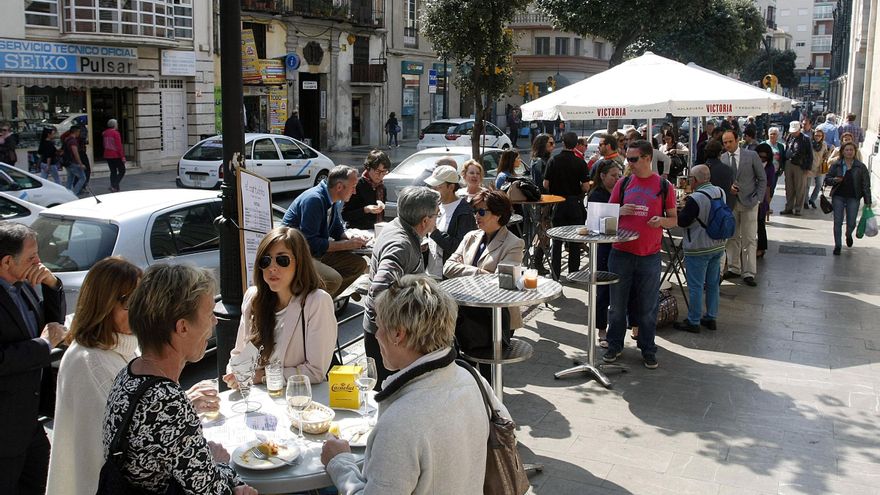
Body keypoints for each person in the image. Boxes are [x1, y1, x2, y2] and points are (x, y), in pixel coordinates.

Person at [47, 257, 222, 494]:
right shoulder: (90, 361)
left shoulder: (130, 365)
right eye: (132, 300)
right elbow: (208, 487)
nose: (215, 321)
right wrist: (221, 465)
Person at [322, 275, 505, 493]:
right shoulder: (472, 378)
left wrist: (340, 463)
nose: (376, 334)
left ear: (398, 334)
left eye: (378, 325)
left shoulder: (400, 423)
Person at [102, 264, 256, 494]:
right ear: (182, 327)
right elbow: (212, 491)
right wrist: (220, 464)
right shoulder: (166, 401)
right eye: (209, 314)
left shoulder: (129, 373)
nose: (215, 321)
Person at [47, 257, 142, 494]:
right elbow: (121, 441)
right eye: (131, 301)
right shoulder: (88, 362)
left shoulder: (120, 345)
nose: (141, 309)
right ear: (104, 304)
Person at [0, 222, 67, 494]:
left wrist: (53, 285)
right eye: (31, 257)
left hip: (29, 421)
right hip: (5, 431)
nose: (38, 262)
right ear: (6, 261)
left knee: (44, 484)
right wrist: (42, 345)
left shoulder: (23, 284)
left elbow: (53, 325)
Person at [225, 227, 337, 385]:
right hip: (258, 399)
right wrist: (234, 372)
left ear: (299, 263)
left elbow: (315, 371)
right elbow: (239, 353)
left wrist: (262, 377)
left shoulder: (317, 302)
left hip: (299, 400)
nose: (272, 268)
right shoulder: (253, 297)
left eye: (282, 260)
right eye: (265, 260)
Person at [603, 140, 678, 369]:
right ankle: (614, 345)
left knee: (647, 307)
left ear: (648, 158)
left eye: (634, 159)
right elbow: (604, 215)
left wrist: (662, 221)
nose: (629, 163)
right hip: (620, 253)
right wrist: (618, 210)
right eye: (628, 158)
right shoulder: (623, 184)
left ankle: (648, 349)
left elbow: (674, 220)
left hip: (649, 256)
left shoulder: (664, 186)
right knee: (616, 307)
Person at [363, 186, 438, 386]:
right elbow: (379, 288)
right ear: (425, 221)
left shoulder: (398, 228)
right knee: (388, 398)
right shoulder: (401, 245)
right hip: (387, 341)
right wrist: (389, 333)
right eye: (435, 215)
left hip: (387, 337)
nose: (436, 220)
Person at [444, 190, 524, 362]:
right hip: (466, 312)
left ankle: (490, 389)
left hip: (495, 316)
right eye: (475, 211)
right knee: (465, 364)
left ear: (498, 215)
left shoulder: (514, 243)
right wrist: (480, 272)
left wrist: (465, 270)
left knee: (489, 367)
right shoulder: (470, 237)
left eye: (481, 211)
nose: (476, 216)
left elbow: (500, 280)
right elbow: (448, 267)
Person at [282, 165, 368, 297]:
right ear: (339, 187)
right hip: (297, 255)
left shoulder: (332, 199)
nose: (354, 191)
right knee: (334, 280)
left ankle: (322, 300)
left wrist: (348, 236)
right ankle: (306, 306)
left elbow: (335, 227)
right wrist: (345, 245)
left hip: (314, 252)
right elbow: (310, 242)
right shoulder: (314, 199)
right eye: (353, 187)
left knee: (358, 265)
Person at [673, 165, 727, 333]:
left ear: (695, 180)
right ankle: (711, 317)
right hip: (717, 244)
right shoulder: (720, 191)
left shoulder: (696, 198)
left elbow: (682, 221)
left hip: (698, 246)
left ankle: (694, 320)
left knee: (696, 285)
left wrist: (679, 209)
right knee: (712, 284)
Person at [720, 130, 766, 287]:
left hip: (749, 202)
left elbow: (762, 178)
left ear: (737, 140)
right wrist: (728, 188)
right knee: (732, 237)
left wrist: (757, 198)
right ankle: (734, 268)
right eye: (725, 142)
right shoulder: (723, 158)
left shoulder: (751, 156)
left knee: (749, 238)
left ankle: (749, 272)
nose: (727, 145)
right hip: (732, 203)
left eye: (730, 141)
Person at [543, 131, 590, 278]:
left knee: (556, 239)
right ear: (576, 145)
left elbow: (545, 184)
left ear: (562, 143)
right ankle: (573, 272)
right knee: (575, 239)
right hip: (574, 203)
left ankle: (555, 272)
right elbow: (586, 186)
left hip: (557, 202)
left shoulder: (553, 160)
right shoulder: (580, 162)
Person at [586, 159, 622, 348]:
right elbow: (596, 221)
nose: (617, 179)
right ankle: (601, 329)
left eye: (618, 175)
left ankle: (630, 326)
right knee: (603, 290)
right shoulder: (596, 194)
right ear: (602, 176)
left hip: (620, 245)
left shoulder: (620, 191)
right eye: (613, 176)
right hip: (603, 247)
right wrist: (619, 211)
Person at [424, 165, 476, 278]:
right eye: (432, 187)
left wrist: (434, 232)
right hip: (431, 273)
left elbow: (461, 248)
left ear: (451, 187)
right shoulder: (435, 204)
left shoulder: (464, 212)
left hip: (450, 277)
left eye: (438, 187)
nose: (434, 191)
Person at [824, 142, 872, 255]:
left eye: (851, 150)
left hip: (853, 197)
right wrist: (835, 180)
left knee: (851, 222)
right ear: (843, 152)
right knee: (838, 221)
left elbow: (866, 185)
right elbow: (827, 179)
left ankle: (848, 234)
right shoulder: (837, 164)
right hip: (838, 196)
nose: (849, 152)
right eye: (847, 150)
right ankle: (838, 245)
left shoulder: (860, 167)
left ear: (855, 152)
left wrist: (867, 201)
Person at [342, 150, 389, 230]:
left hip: (376, 231)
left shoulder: (382, 188)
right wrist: (366, 210)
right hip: (358, 233)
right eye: (378, 171)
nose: (381, 176)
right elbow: (345, 215)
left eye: (384, 172)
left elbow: (381, 216)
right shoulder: (356, 185)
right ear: (368, 168)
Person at [528, 133, 554, 273]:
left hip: (545, 201)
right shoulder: (539, 161)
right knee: (543, 233)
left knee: (544, 232)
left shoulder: (543, 160)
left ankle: (538, 261)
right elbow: (541, 184)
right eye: (550, 143)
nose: (553, 146)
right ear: (543, 144)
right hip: (543, 202)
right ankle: (537, 262)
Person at [782, 121, 813, 216]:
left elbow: (810, 154)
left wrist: (808, 167)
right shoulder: (789, 137)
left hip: (799, 165)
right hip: (789, 163)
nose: (793, 133)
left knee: (800, 187)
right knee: (789, 187)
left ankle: (798, 208)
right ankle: (789, 207)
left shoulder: (805, 139)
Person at [754, 143, 776, 258]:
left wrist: (767, 203)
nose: (762, 159)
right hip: (751, 196)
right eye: (760, 156)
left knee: (760, 224)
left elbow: (768, 186)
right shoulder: (753, 164)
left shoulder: (770, 167)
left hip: (762, 198)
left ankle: (761, 248)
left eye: (764, 157)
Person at [704, 139, 736, 210]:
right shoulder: (728, 170)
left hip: (705, 208)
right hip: (723, 208)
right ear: (720, 153)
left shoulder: (700, 170)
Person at [805, 128, 830, 210]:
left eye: (819, 135)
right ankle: (805, 202)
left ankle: (812, 199)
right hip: (810, 167)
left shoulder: (824, 144)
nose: (817, 137)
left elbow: (825, 154)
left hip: (819, 168)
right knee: (807, 186)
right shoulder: (809, 143)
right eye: (816, 135)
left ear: (822, 136)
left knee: (819, 185)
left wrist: (828, 154)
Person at [61, 123, 87, 195]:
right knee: (83, 178)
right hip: (73, 162)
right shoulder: (73, 141)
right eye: (79, 132)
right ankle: (74, 193)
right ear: (76, 132)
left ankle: (67, 194)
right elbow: (75, 153)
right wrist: (80, 164)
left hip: (67, 162)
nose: (79, 133)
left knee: (70, 179)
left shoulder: (67, 139)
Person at [102, 118, 126, 192]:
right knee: (122, 170)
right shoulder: (115, 133)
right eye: (117, 124)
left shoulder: (105, 133)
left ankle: (115, 187)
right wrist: (122, 157)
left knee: (113, 171)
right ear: (114, 125)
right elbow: (119, 146)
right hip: (115, 155)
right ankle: (114, 185)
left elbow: (104, 144)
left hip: (107, 154)